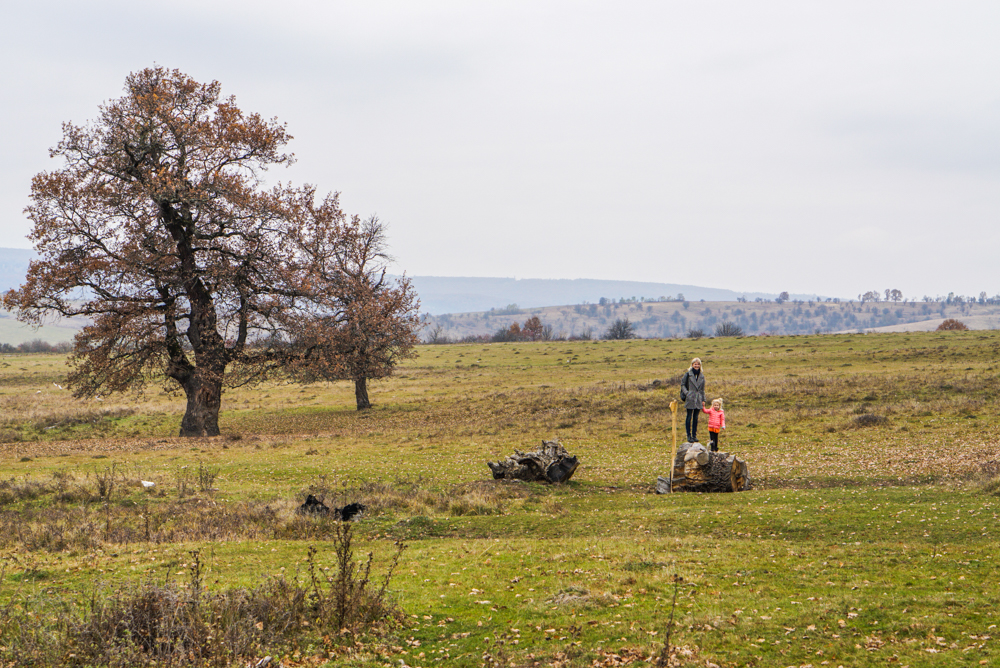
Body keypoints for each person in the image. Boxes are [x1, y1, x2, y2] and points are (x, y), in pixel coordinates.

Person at [680, 358, 706, 442]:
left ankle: (694, 435)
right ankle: (688, 435)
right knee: (689, 417)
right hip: (690, 398)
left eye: (698, 364)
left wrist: (703, 399)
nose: (697, 366)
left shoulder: (702, 376)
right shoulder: (688, 374)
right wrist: (687, 393)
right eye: (695, 364)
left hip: (698, 398)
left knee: (696, 418)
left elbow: (702, 389)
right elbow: (683, 384)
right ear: (692, 365)